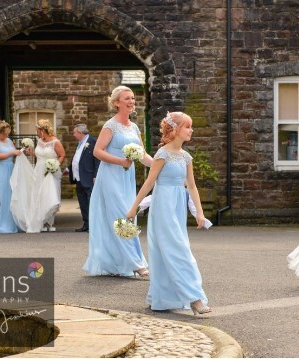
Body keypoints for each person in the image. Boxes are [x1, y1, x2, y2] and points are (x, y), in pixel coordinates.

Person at [126, 111, 211, 315]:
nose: (192, 130)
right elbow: (149, 183)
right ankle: (195, 298)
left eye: (191, 127)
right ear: (175, 130)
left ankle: (161, 297)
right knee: (179, 251)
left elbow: (192, 186)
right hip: (162, 207)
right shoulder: (162, 154)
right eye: (188, 126)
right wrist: (133, 207)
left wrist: (199, 213)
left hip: (177, 207)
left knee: (170, 251)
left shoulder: (186, 157)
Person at [83, 85, 152, 277]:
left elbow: (143, 155)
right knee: (121, 216)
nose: (131, 101)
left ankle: (116, 263)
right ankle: (135, 262)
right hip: (110, 177)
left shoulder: (135, 127)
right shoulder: (110, 125)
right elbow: (98, 151)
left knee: (129, 215)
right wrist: (121, 160)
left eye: (132, 98)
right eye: (127, 99)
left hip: (126, 178)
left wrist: (159, 167)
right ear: (116, 103)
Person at [10, 119, 65, 233]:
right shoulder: (39, 141)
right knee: (38, 195)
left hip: (51, 171)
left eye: (38, 130)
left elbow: (62, 155)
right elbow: (38, 155)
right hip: (39, 170)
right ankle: (42, 222)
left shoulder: (55, 142)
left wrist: (55, 165)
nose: (37, 133)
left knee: (50, 194)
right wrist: (31, 153)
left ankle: (50, 223)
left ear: (43, 130)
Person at [0, 120, 21, 234]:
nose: (7, 135)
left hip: (10, 169)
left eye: (8, 133)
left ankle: (11, 222)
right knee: (0, 195)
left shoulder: (9, 140)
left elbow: (14, 151)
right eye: (5, 133)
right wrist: (13, 153)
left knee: (11, 194)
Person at [66, 124, 100, 233]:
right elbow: (77, 159)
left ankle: (93, 225)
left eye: (75, 132)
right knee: (83, 203)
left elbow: (97, 160)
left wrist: (96, 175)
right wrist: (69, 169)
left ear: (80, 133)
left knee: (91, 202)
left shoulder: (93, 141)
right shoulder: (80, 143)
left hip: (89, 177)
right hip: (78, 178)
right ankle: (86, 224)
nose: (73, 135)